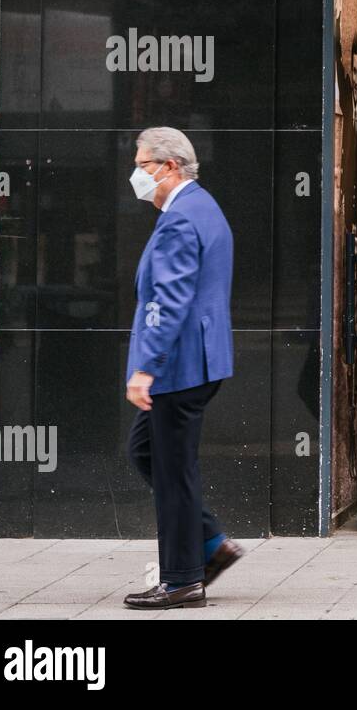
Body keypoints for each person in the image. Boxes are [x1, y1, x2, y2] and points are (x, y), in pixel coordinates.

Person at [122, 127, 243, 610]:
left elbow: (168, 302)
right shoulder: (201, 206)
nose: (137, 175)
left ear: (170, 167)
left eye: (143, 165)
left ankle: (181, 580)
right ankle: (212, 543)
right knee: (146, 451)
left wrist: (145, 367)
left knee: (173, 473)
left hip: (180, 364)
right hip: (200, 359)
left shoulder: (179, 220)